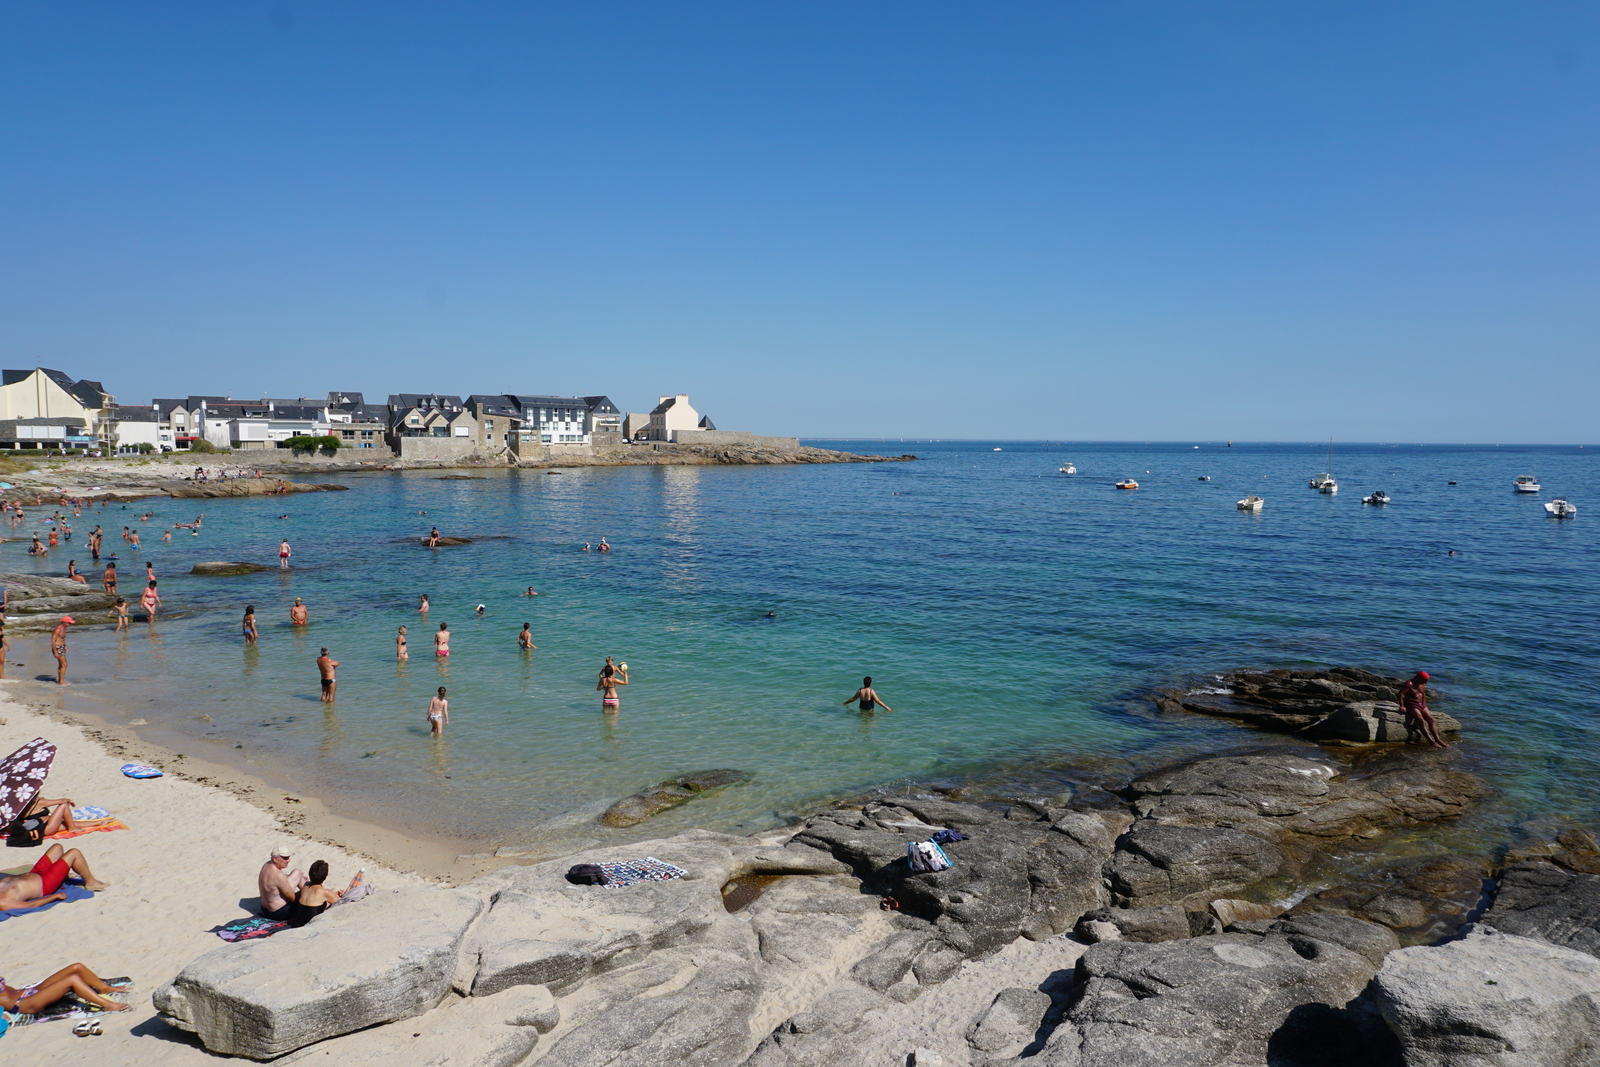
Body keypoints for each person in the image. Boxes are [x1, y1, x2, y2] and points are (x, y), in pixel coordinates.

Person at [0, 843, 110, 910]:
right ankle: (91, 882)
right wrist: (54, 897)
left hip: (36, 873)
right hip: (45, 883)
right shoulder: (3, 903)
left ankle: (62, 875)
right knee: (74, 853)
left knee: (57, 847)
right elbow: (31, 905)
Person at [0, 963, 131, 1015]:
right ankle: (107, 1005)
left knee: (76, 967)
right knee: (72, 979)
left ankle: (104, 988)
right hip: (23, 1004)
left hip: (27, 991)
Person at [287, 860, 364, 927]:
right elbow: (341, 904)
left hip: (297, 922)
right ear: (325, 876)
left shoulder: (306, 886)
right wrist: (338, 895)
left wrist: (334, 893)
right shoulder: (325, 892)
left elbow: (318, 895)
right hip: (309, 924)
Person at [1397, 671, 1450, 748]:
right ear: (1418, 678)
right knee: (1421, 721)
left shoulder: (1423, 683)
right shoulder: (1409, 683)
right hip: (1411, 704)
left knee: (1431, 720)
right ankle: (1431, 741)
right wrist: (1402, 706)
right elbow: (1401, 694)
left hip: (1422, 704)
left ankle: (1438, 739)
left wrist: (1424, 705)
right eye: (1425, 680)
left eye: (1426, 680)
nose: (1426, 682)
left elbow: (1423, 693)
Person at [257, 845, 307, 921]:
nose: (288, 860)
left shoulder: (267, 865)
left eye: (288, 857)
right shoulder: (278, 875)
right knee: (306, 903)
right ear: (275, 859)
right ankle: (313, 892)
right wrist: (304, 890)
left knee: (297, 873)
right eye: (285, 858)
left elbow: (275, 880)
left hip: (265, 909)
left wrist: (292, 877)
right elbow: (293, 898)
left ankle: (313, 891)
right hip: (278, 913)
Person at [51, 615, 74, 685]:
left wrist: (65, 646)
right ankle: (61, 682)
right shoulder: (58, 629)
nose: (70, 624)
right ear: (64, 622)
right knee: (64, 664)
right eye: (69, 623)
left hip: (61, 647)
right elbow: (53, 641)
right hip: (57, 648)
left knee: (61, 665)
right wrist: (55, 652)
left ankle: (60, 680)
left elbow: (61, 639)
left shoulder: (64, 628)